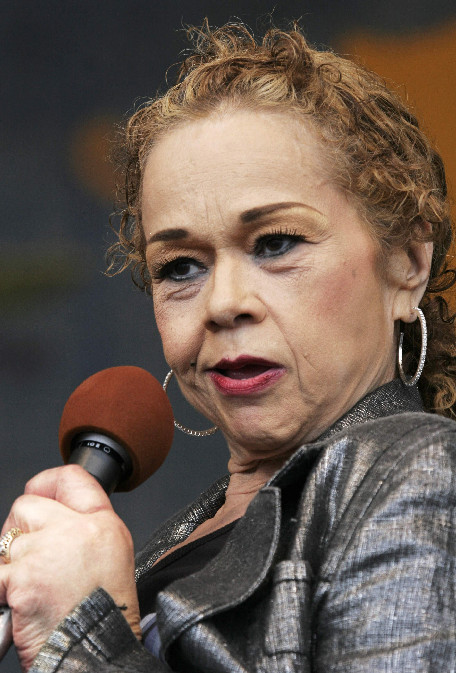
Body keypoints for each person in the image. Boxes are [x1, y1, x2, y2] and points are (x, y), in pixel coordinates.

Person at [1, 21, 455, 672]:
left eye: (276, 243)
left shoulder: (423, 477)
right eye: (181, 266)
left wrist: (81, 635)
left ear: (407, 263)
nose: (222, 303)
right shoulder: (192, 530)